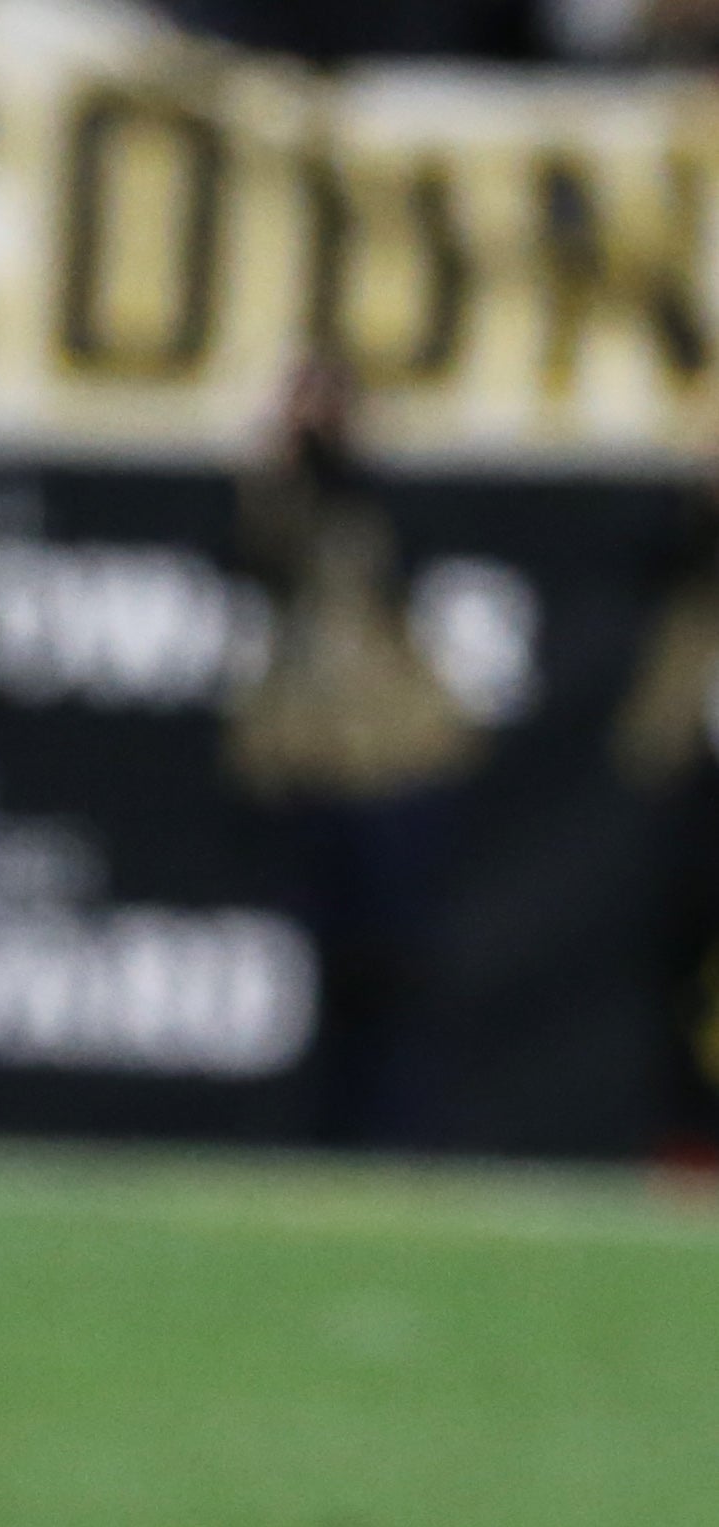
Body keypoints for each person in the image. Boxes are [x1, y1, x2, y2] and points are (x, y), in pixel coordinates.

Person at [224, 355, 482, 1148]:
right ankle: (329, 1135)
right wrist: (284, 466)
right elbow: (254, 560)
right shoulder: (283, 500)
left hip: (395, 758)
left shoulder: (386, 498)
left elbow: (403, 564)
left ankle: (398, 1134)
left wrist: (345, 458)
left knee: (395, 964)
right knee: (320, 969)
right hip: (312, 760)